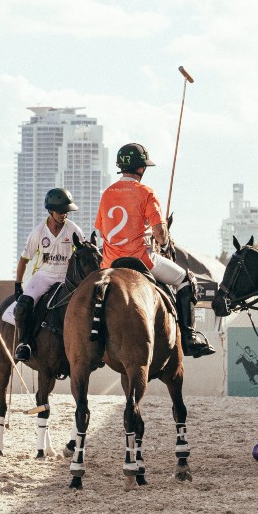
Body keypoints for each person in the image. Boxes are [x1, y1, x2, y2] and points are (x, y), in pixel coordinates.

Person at [94, 143, 215, 358]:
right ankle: (189, 337)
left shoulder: (107, 193)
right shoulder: (146, 192)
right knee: (185, 280)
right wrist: (166, 244)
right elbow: (159, 232)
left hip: (109, 264)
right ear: (141, 168)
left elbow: (101, 231)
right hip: (141, 259)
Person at [3, 188, 85, 362]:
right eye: (61, 211)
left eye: (66, 211)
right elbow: (24, 260)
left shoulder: (73, 230)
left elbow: (85, 251)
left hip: (66, 279)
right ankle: (24, 344)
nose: (64, 215)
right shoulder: (38, 232)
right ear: (50, 210)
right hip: (43, 276)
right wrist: (18, 285)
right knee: (23, 306)